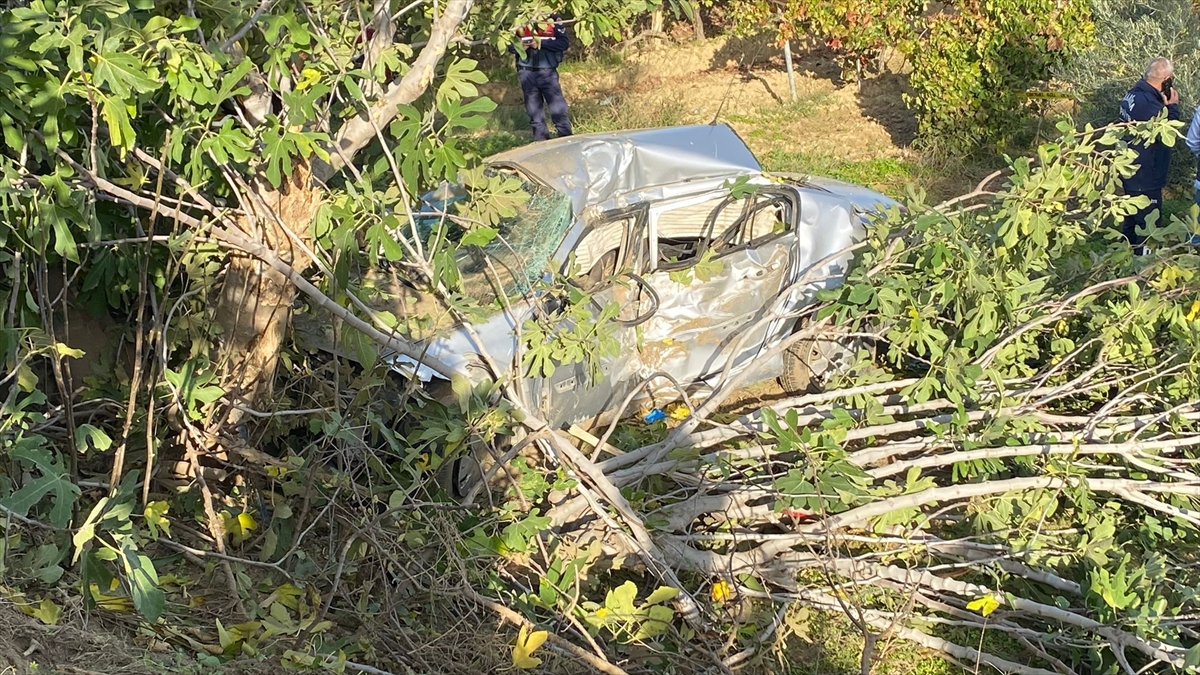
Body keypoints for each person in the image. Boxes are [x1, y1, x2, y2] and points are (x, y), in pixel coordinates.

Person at [1118, 57, 1180, 254]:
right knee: (1148, 227)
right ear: (1167, 79)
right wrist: (1172, 107)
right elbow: (1168, 133)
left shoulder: (1132, 95)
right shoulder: (1152, 106)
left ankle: (1124, 261)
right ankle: (1143, 269)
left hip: (1130, 168)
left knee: (1130, 220)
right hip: (1146, 174)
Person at [511, 15, 572, 142]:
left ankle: (567, 141)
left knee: (558, 110)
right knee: (534, 114)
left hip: (547, 72)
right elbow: (508, 46)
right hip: (526, 72)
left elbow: (563, 43)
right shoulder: (519, 17)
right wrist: (521, 46)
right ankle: (541, 143)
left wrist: (539, 43)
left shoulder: (554, 19)